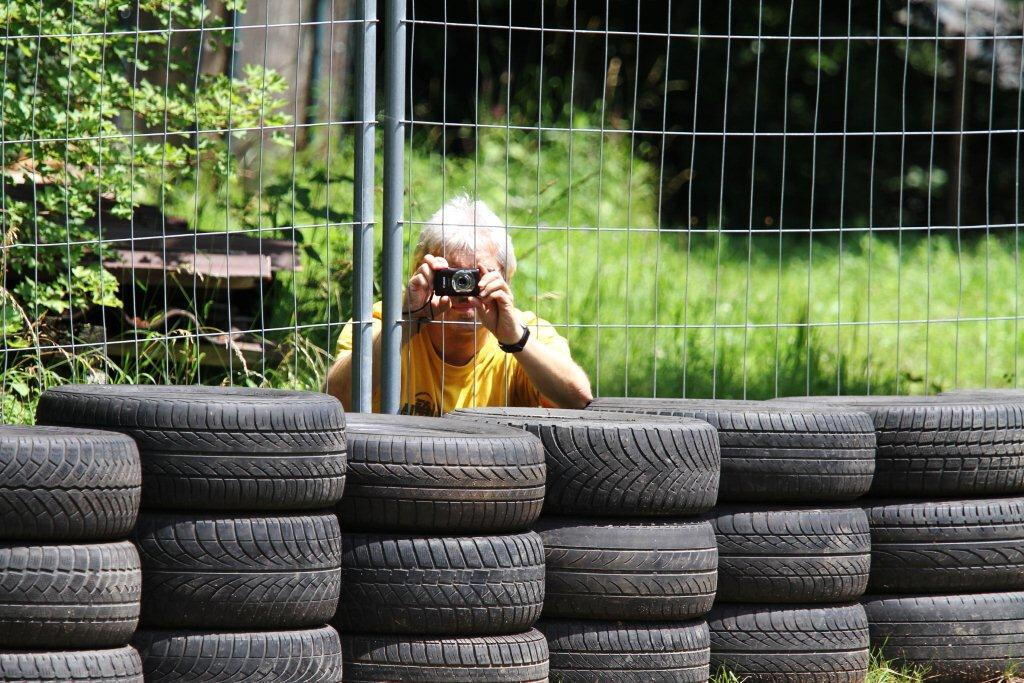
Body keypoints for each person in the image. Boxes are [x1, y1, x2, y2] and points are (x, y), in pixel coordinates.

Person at [327, 196, 593, 415]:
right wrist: (407, 321)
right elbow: (333, 399)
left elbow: (579, 400)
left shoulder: (529, 334)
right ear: (423, 271)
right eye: (452, 278)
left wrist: (515, 339)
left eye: (478, 277)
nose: (465, 292)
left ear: (506, 276)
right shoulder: (382, 322)